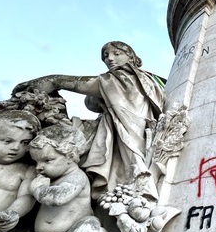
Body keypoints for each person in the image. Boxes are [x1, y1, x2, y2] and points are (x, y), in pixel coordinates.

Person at [12, 41, 165, 199]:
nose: (110, 59)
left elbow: (94, 87)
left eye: (117, 54)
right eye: (106, 56)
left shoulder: (126, 76)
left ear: (131, 57)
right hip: (122, 131)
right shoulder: (147, 81)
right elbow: (93, 103)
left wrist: (54, 80)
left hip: (129, 135)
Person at [11, 125, 130, 232]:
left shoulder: (76, 177)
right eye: (36, 162)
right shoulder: (45, 179)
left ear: (70, 156)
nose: (39, 167)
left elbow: (57, 198)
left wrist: (38, 189)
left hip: (76, 231)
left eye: (47, 160)